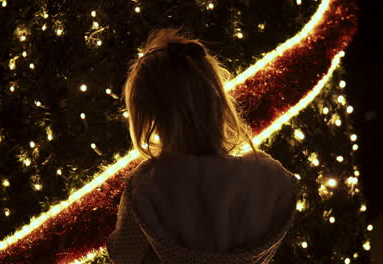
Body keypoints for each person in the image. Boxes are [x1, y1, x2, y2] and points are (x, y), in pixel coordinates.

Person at [106, 28, 300, 264]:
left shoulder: (148, 184)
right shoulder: (267, 180)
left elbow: (125, 256)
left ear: (148, 117)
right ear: (217, 99)